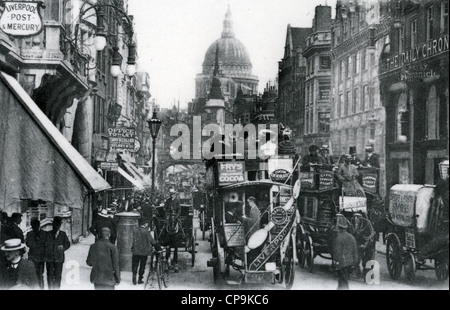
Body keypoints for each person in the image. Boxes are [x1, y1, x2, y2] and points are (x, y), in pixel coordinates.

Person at [332, 214, 359, 290]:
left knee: (342, 283)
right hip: (350, 263)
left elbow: (337, 253)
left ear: (339, 227)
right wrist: (354, 263)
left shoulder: (339, 238)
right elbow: (355, 251)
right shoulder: (352, 237)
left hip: (342, 263)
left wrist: (336, 263)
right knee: (344, 281)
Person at [44, 216, 70, 290]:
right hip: (49, 259)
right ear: (53, 225)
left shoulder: (63, 234)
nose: (56, 226)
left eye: (58, 224)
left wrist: (63, 247)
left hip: (59, 259)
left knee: (58, 276)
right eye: (54, 224)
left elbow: (67, 244)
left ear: (60, 225)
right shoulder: (47, 234)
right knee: (49, 276)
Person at [131, 219, 161, 285]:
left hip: (135, 251)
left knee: (135, 265)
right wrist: (158, 247)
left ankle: (134, 276)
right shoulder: (146, 232)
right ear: (145, 224)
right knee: (142, 265)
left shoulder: (135, 230)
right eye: (147, 223)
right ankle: (140, 279)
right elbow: (152, 241)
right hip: (144, 252)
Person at [164, 188, 181, 272]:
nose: (172, 195)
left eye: (173, 194)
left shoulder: (177, 201)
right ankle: (168, 262)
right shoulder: (167, 201)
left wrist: (177, 215)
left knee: (180, 225)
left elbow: (179, 210)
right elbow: (165, 208)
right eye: (171, 194)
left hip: (175, 217)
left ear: (175, 194)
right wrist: (167, 215)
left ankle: (176, 263)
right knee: (164, 225)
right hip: (169, 217)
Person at [25, 219, 46, 289]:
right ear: (31, 226)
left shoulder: (44, 234)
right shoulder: (29, 234)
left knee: (40, 275)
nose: (35, 227)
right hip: (32, 257)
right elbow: (28, 244)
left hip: (40, 258)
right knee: (31, 274)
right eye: (33, 226)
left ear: (39, 225)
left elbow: (45, 244)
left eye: (36, 225)